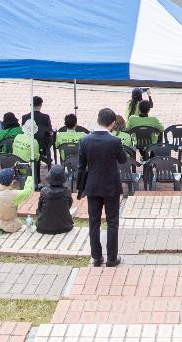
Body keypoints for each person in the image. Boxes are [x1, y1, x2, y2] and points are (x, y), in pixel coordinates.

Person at [76, 107, 127, 267]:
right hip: (111, 185)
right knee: (112, 221)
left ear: (97, 119)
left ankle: (96, 257)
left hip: (92, 185)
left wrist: (79, 188)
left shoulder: (85, 140)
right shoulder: (114, 141)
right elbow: (123, 160)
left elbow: (81, 166)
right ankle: (112, 258)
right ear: (112, 124)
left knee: (94, 221)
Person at [37, 163, 76, 234]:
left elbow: (40, 207)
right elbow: (68, 206)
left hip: (43, 227)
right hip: (65, 227)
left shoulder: (43, 191)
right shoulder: (67, 191)